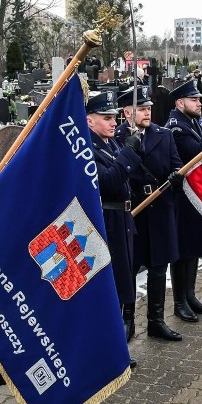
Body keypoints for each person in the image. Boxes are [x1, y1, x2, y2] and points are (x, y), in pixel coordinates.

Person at [115, 85, 184, 341]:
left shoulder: (164, 135)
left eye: (149, 108)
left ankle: (156, 320)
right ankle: (128, 320)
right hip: (133, 211)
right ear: (127, 112)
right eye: (142, 109)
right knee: (130, 268)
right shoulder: (117, 137)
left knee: (158, 268)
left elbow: (177, 165)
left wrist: (176, 178)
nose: (147, 113)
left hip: (160, 209)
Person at [85, 91, 140, 365]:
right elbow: (107, 182)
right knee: (108, 290)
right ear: (89, 120)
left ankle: (115, 350)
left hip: (123, 221)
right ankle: (105, 354)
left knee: (120, 286)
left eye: (113, 117)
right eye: (106, 118)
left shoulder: (111, 143)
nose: (113, 122)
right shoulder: (87, 149)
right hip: (107, 223)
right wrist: (129, 152)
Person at [166, 79, 202, 322]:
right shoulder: (176, 128)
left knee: (192, 249)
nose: (199, 103)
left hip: (194, 196)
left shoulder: (189, 122)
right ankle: (180, 302)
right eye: (194, 100)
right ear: (180, 103)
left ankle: (189, 296)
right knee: (182, 251)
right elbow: (198, 154)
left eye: (199, 99)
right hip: (182, 199)